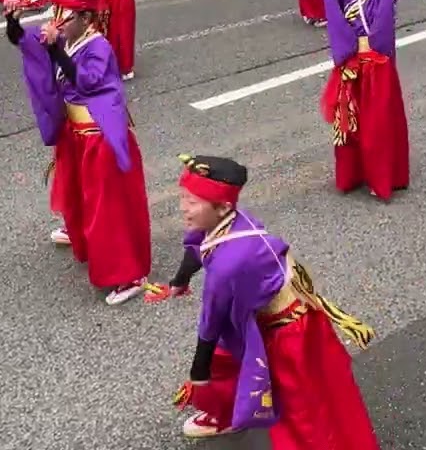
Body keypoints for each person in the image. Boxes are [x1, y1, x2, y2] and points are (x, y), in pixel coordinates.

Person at [157, 154, 380, 447]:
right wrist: (180, 280)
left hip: (289, 331)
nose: (183, 208)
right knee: (227, 365)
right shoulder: (231, 220)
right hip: (270, 315)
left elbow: (212, 321)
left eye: (193, 202)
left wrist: (198, 371)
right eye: (184, 197)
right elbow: (200, 244)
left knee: (302, 411)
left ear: (222, 207)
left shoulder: (228, 264)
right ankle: (225, 413)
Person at [4, 0, 151, 306]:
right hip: (75, 135)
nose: (56, 21)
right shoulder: (67, 37)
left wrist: (55, 47)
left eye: (65, 15)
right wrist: (13, 21)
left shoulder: (98, 46)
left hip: (100, 136)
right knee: (74, 191)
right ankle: (81, 233)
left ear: (86, 19)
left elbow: (85, 81)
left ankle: (128, 274)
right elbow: (26, 43)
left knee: (106, 205)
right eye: (56, 12)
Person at [319, 0, 410, 200]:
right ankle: (352, 175)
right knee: (348, 125)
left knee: (377, 127)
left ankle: (381, 177)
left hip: (377, 69)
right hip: (351, 67)